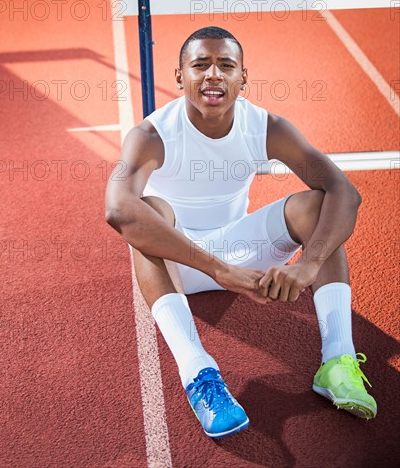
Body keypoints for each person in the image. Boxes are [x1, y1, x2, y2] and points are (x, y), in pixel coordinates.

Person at [105, 26, 377, 439]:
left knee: (318, 205)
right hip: (180, 261)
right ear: (180, 76)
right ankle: (199, 373)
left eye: (226, 65)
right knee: (145, 213)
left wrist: (309, 265)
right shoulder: (151, 136)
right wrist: (217, 270)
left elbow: (344, 191)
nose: (213, 74)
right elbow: (117, 209)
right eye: (200, 65)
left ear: (243, 77)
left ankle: (337, 361)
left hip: (242, 251)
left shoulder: (266, 126)